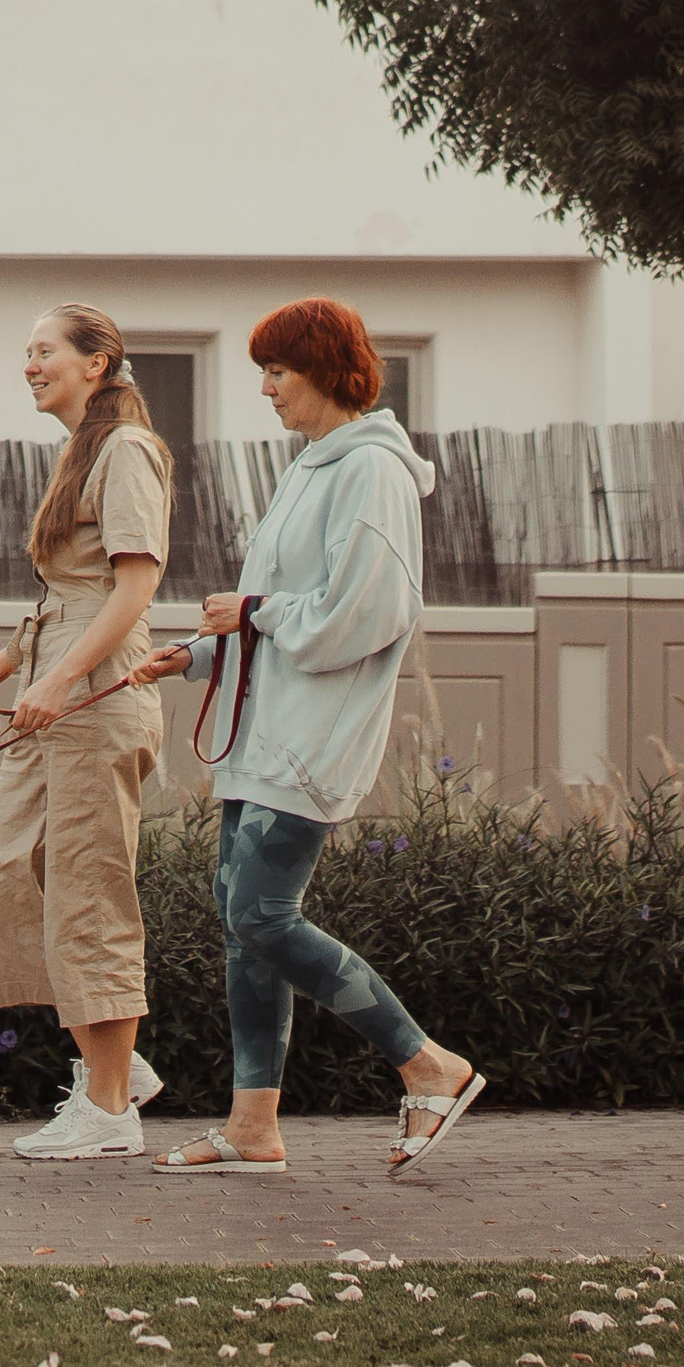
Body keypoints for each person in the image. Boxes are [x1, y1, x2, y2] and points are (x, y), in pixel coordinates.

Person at [133, 297, 482, 1177]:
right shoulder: (312, 467)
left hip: (312, 739)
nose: (265, 389)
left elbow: (360, 613)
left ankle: (430, 1066)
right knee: (238, 922)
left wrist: (252, 610)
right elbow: (278, 611)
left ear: (325, 368)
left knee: (260, 913)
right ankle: (254, 1127)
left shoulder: (372, 472)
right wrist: (193, 654)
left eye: (277, 371)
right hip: (264, 735)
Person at [0, 303, 173, 1162]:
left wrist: (56, 677)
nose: (30, 364)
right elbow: (68, 590)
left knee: (87, 895)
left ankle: (110, 1108)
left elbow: (134, 588)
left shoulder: (125, 451)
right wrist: (9, 660)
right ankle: (116, 1062)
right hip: (56, 691)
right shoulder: (80, 450)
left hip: (95, 701)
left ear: (98, 361)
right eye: (27, 352)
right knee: (0, 878)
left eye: (44, 350)